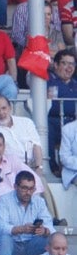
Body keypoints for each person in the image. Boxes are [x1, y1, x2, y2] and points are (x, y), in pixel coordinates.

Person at [0, 95, 43, 174]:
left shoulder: (26, 122)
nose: (1, 112)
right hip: (8, 169)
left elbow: (36, 146)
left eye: (4, 108)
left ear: (10, 108)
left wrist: (39, 168)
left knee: (42, 185)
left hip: (31, 167)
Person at [49, 49, 77, 177]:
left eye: (72, 64)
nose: (69, 67)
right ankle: (53, 168)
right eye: (65, 63)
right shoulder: (47, 81)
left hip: (73, 122)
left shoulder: (75, 84)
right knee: (46, 128)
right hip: (53, 121)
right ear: (56, 65)